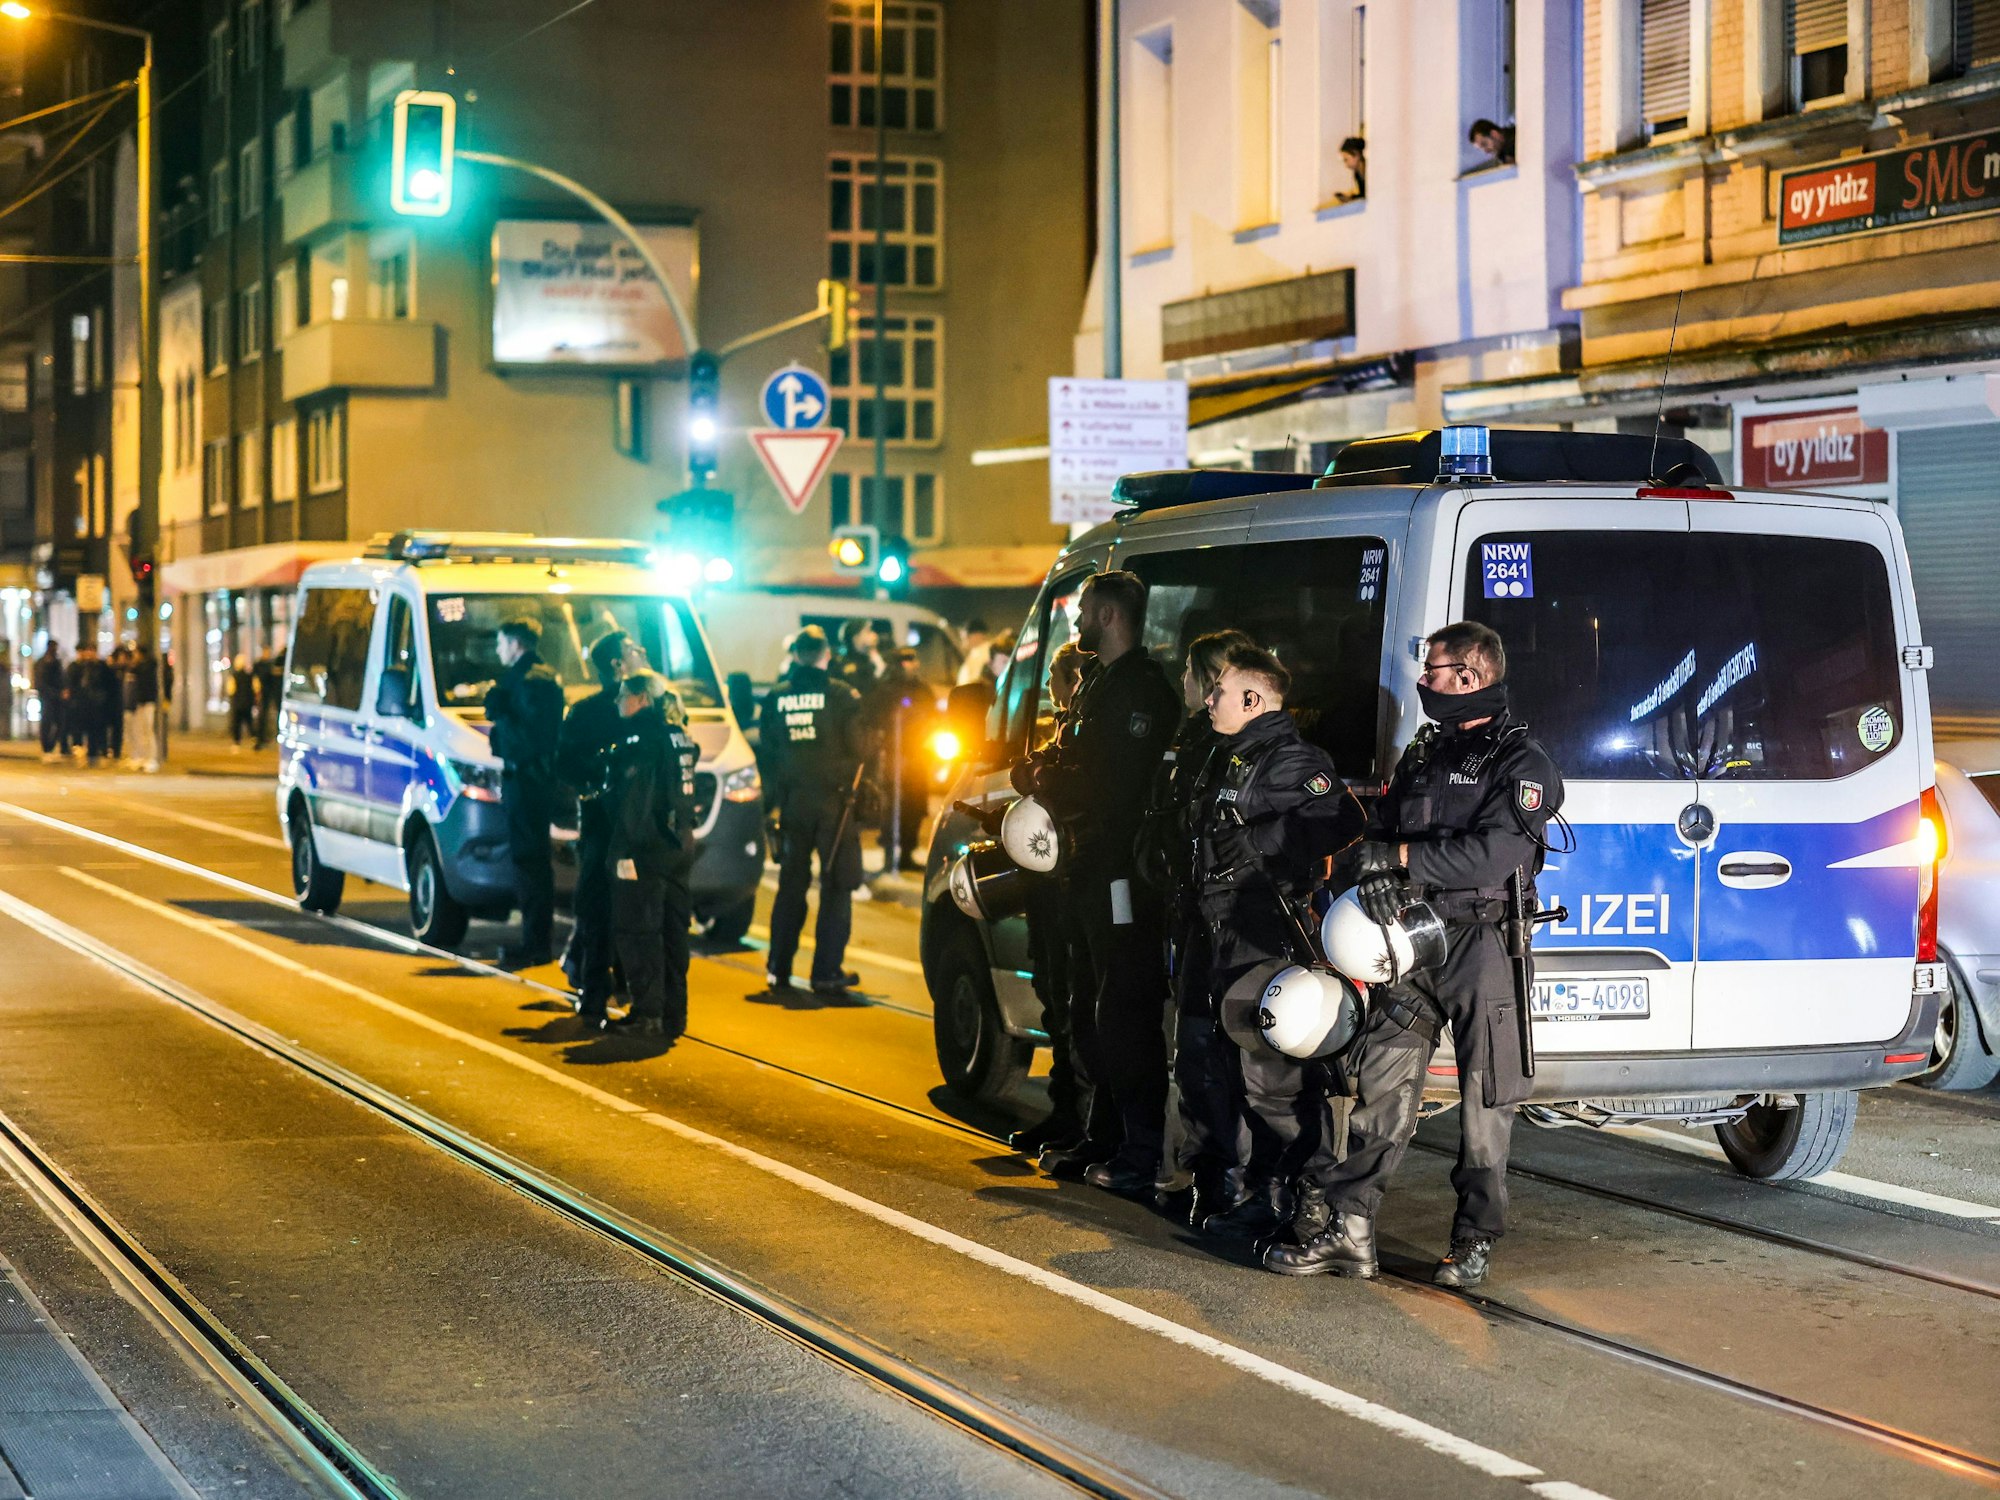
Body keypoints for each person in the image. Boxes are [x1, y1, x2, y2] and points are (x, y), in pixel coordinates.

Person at [1265, 621, 1563, 1288]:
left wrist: (1398, 858)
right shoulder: (1426, 752)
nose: (1424, 681)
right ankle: (1350, 1230)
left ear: (1472, 675)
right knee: (1382, 1090)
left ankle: (1474, 1239)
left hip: (1482, 944)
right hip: (1407, 942)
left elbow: (1494, 853)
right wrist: (1368, 873)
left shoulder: (1523, 763)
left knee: (1487, 1104)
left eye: (1435, 670)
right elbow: (1384, 828)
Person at [1190, 643, 1365, 1238]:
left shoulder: (1290, 758)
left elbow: (1340, 820)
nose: (1210, 699)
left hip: (1268, 939)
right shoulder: (1231, 755)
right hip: (1225, 936)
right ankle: (1265, 1193)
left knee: (1277, 1086)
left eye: (1220, 691)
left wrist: (1265, 841)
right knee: (1238, 1077)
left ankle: (1306, 1200)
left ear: (1252, 699)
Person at [1014, 571, 1180, 1197]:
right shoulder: (1100, 686)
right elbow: (1075, 759)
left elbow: (1113, 786)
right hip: (1087, 870)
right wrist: (1042, 768)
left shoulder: (1138, 691)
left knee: (1124, 1012)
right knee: (1091, 1005)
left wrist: (1046, 781)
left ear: (1110, 616)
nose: (1077, 623)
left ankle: (1137, 1151)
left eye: (1084, 612)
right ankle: (1102, 1134)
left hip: (1121, 873)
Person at [1136, 630, 1248, 1214]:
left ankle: (1223, 1176)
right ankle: (1201, 1168)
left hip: (1227, 923)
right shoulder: (1194, 737)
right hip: (1189, 913)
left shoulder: (1231, 747)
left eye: (1188, 671)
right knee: (1195, 1045)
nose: (1181, 682)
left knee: (1214, 1050)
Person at [1009, 641, 1093, 1156]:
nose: (1047, 689)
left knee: (1070, 1006)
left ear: (1072, 680)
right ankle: (1063, 1111)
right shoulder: (1063, 730)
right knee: (1054, 1003)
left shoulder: (1082, 733)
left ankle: (1076, 1117)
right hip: (1048, 890)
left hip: (1067, 889)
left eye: (1055, 678)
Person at [759, 625, 865, 995]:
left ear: (796, 655)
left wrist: (771, 805)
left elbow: (768, 753)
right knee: (837, 887)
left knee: (791, 887)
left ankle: (778, 967)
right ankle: (825, 972)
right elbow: (862, 748)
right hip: (833, 805)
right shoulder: (841, 696)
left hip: (791, 805)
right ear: (827, 655)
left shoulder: (776, 698)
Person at [600, 671, 701, 1040]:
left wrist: (624, 851)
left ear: (641, 698)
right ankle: (676, 1014)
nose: (617, 702)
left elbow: (635, 803)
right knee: (675, 932)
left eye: (623, 695)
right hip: (680, 843)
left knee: (638, 931)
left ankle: (648, 1014)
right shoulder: (679, 735)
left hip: (646, 848)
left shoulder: (640, 738)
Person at [557, 630, 651, 1021]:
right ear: (617, 664)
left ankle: (617, 987)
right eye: (632, 650)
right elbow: (566, 763)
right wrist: (598, 784)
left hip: (629, 829)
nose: (640, 652)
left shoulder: (647, 704)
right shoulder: (592, 712)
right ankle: (597, 990)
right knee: (599, 908)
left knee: (625, 910)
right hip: (607, 827)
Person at [485, 616, 566, 970]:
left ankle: (535, 943)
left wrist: (501, 714)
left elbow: (532, 739)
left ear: (516, 644)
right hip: (533, 780)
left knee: (529, 862)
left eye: (502, 643)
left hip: (529, 780)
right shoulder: (536, 677)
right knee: (531, 861)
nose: (498, 650)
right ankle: (534, 940)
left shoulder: (530, 680)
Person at [863, 646, 936, 871]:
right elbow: (873, 718)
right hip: (892, 757)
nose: (912, 664)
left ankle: (907, 854)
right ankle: (888, 855)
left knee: (915, 807)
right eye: (906, 660)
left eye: (913, 659)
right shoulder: (884, 690)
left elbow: (933, 716)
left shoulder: (922, 689)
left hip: (917, 755)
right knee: (891, 807)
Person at [127, 643, 162, 772]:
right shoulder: (139, 667)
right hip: (139, 702)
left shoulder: (148, 666)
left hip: (147, 701)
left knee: (148, 729)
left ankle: (151, 758)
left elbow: (140, 676)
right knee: (139, 730)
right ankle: (141, 757)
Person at [837, 618, 885, 696]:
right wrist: (879, 671)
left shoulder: (874, 659)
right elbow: (863, 691)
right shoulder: (842, 665)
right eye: (868, 632)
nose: (874, 635)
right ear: (856, 637)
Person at [34, 644, 64, 762]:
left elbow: (61, 679)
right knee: (47, 723)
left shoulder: (57, 662)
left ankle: (50, 748)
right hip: (47, 697)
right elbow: (40, 682)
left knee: (59, 723)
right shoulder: (42, 663)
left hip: (56, 697)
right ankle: (46, 749)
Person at [253, 646, 284, 749]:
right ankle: (261, 739)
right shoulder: (262, 665)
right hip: (265, 693)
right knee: (263, 715)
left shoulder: (271, 664)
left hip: (271, 693)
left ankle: (267, 738)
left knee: (270, 714)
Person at [227, 655, 257, 746]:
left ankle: (237, 741)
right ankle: (253, 738)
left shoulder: (234, 677)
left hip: (237, 704)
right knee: (249, 721)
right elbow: (256, 688)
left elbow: (230, 690)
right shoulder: (250, 676)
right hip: (248, 703)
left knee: (237, 723)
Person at [955, 618, 992, 687]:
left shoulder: (985, 652)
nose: (963, 640)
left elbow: (976, 680)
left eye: (966, 636)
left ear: (978, 634)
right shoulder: (976, 652)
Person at [1337, 136, 1366, 201]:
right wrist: (1350, 198)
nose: (1346, 165)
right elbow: (1363, 195)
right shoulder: (1357, 174)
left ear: (1356, 155)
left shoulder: (1370, 172)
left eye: (1346, 159)